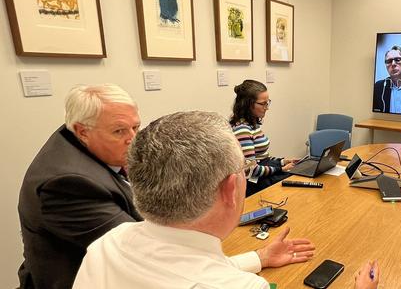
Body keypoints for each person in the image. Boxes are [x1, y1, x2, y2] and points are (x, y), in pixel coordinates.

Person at [73, 111, 380, 289]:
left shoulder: (107, 244)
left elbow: (184, 265)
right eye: (245, 170)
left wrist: (259, 258)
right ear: (231, 189)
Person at [17, 84, 143, 289]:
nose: (134, 140)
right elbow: (136, 248)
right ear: (82, 132)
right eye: (119, 131)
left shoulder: (80, 135)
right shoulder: (66, 185)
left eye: (136, 127)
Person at [231, 80, 295, 196]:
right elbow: (251, 170)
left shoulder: (252, 125)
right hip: (254, 183)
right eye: (262, 104)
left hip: (263, 175)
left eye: (268, 103)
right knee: (293, 183)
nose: (267, 108)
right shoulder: (243, 130)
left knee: (296, 176)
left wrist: (281, 162)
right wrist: (281, 169)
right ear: (247, 104)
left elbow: (262, 158)